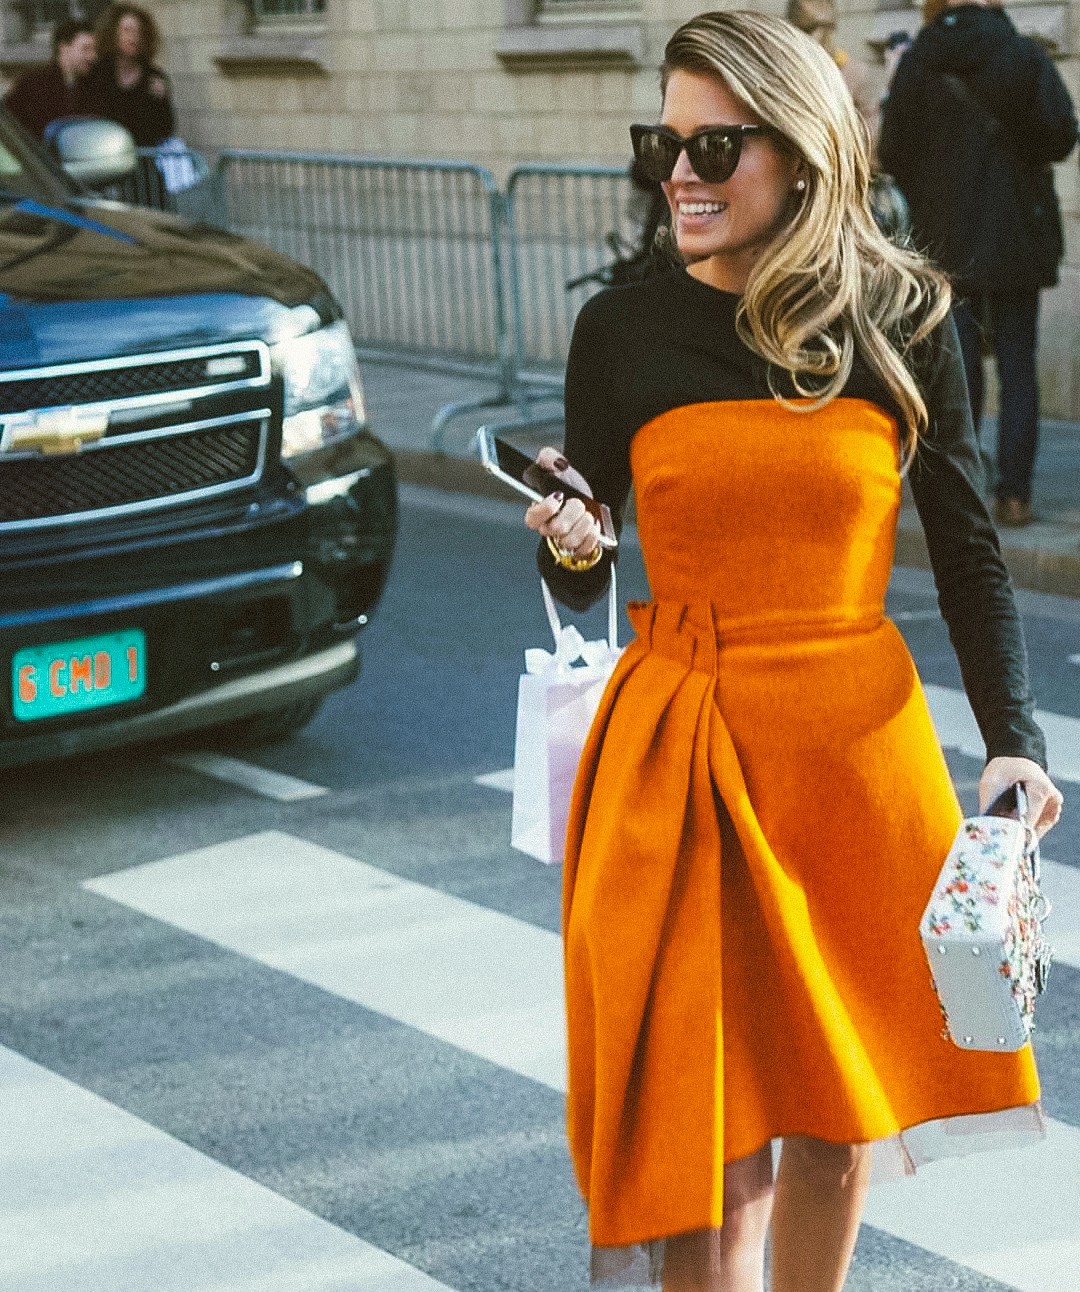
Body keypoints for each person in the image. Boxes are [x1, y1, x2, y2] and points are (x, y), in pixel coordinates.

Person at [521, 10, 1063, 1291]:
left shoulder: (898, 319)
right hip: (683, 757)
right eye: (665, 141)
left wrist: (1013, 744)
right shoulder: (624, 331)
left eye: (719, 144)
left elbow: (971, 551)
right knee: (707, 1146)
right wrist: (574, 538)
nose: (683, 174)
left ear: (803, 153)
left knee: (830, 1123)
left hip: (849, 762)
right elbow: (577, 554)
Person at [879, 0, 1078, 526]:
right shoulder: (1022, 55)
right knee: (1018, 366)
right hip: (1016, 236)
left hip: (944, 241)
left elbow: (892, 151)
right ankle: (1014, 495)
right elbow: (1061, 135)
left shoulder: (921, 58)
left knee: (957, 369)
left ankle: (964, 494)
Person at [786, 0, 880, 147]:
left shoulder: (854, 73)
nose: (820, 37)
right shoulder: (785, 72)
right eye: (810, 29)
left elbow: (869, 132)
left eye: (827, 27)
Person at [82, 2, 174, 148]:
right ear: (113, 33)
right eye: (127, 30)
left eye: (138, 32)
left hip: (143, 158)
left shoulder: (154, 77)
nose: (133, 37)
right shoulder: (97, 73)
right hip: (104, 154)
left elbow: (166, 128)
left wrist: (162, 98)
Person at [3, 19, 96, 142]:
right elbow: (8, 126)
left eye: (94, 49)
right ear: (64, 48)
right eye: (86, 49)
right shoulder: (32, 84)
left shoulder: (92, 86)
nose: (92, 56)